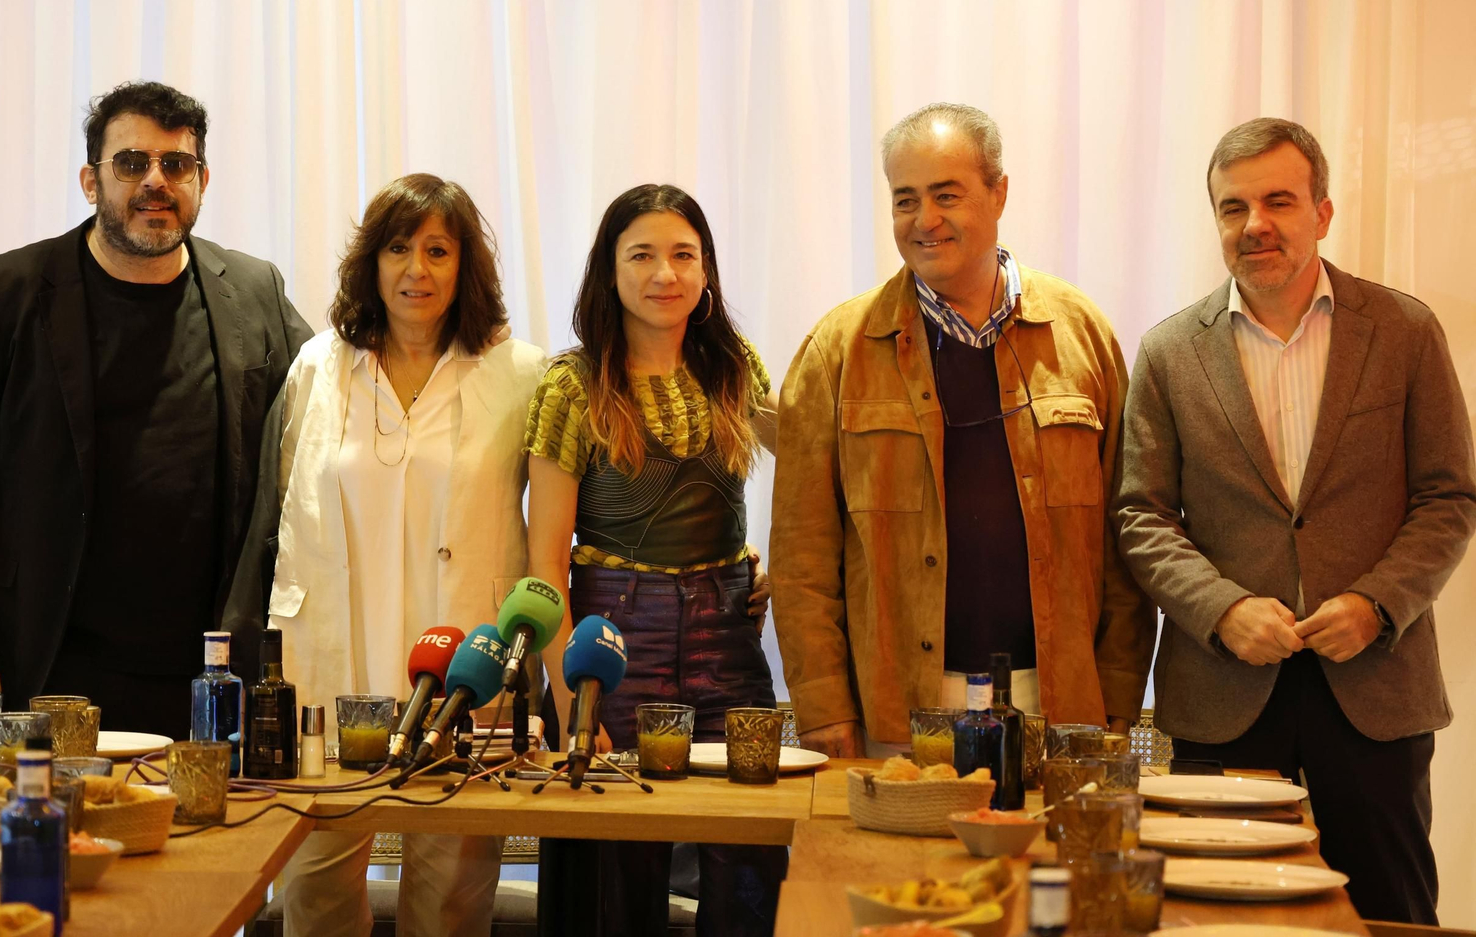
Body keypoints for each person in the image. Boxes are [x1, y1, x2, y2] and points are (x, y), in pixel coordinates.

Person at [1114, 117, 1476, 924]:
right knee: (1217, 919)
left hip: (1375, 685)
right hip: (1224, 690)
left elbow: (1449, 497)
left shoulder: (1405, 331)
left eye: (1278, 201)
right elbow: (1141, 514)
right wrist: (1222, 610)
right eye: (1233, 207)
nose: (1256, 225)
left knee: (1388, 914)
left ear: (1323, 212)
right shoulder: (1170, 352)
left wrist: (1378, 603)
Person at [0, 80, 311, 736]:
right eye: (131, 163)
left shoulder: (254, 291)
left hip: (207, 677)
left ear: (202, 180)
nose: (156, 181)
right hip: (40, 665)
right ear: (90, 182)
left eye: (176, 164)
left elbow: (321, 413)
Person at [771, 102, 1156, 758]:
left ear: (998, 193)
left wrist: (1118, 698)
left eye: (946, 195)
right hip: (895, 711)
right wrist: (823, 708)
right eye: (905, 200)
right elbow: (800, 557)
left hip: (1061, 706)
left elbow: (1123, 541)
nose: (924, 219)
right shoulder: (837, 349)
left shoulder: (1082, 334)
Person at [221, 174, 544, 937]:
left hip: (465, 672)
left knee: (452, 901)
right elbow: (276, 513)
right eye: (398, 249)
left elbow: (565, 515)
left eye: (438, 251)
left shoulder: (521, 373)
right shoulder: (318, 366)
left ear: (466, 267)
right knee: (315, 894)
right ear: (371, 262)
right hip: (330, 671)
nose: (416, 270)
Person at [526, 184, 782, 936]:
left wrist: (776, 565)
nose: (664, 273)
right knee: (616, 871)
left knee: (748, 858)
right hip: (611, 644)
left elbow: (816, 476)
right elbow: (545, 566)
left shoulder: (736, 367)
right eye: (641, 255)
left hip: (727, 640)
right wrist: (572, 703)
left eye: (683, 255)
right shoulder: (571, 385)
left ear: (706, 272)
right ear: (609, 273)